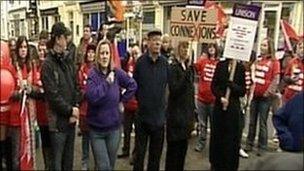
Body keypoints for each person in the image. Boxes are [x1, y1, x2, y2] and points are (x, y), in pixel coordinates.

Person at [86, 40, 137, 170]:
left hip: (114, 129)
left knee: (110, 166)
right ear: (98, 56)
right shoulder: (92, 75)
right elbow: (92, 97)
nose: (104, 56)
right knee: (104, 167)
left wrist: (122, 101)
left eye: (107, 53)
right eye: (102, 53)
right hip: (97, 130)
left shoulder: (117, 72)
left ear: (111, 55)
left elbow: (132, 85)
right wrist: (107, 83)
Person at [41, 22, 81, 170]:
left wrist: (75, 108)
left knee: (68, 164)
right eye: (65, 37)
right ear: (58, 39)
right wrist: (70, 111)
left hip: (70, 122)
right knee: (56, 164)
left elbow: (76, 86)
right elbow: (52, 96)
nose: (67, 40)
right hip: (57, 124)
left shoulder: (68, 60)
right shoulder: (47, 65)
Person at [133, 29, 169, 171]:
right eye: (154, 40)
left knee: (155, 157)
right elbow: (134, 86)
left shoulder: (165, 64)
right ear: (148, 43)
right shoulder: (140, 63)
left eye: (159, 40)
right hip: (142, 118)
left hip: (159, 119)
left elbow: (169, 86)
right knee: (139, 156)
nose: (157, 43)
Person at [245, 38, 281, 156]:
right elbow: (252, 75)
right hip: (255, 96)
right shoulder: (258, 60)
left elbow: (276, 79)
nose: (262, 47)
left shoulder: (275, 62)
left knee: (263, 123)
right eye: (261, 45)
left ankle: (262, 146)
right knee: (252, 122)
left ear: (269, 47)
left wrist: (268, 92)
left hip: (265, 98)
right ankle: (249, 143)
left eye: (264, 45)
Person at [210, 58, 246, 171]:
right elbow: (213, 85)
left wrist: (232, 86)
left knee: (231, 138)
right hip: (219, 107)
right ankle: (216, 164)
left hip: (233, 108)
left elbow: (242, 91)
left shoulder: (240, 68)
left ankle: (229, 165)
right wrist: (220, 97)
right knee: (218, 136)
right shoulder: (221, 65)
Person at [9, 36, 40, 170]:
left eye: (25, 47)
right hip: (17, 116)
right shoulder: (12, 67)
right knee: (17, 152)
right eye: (21, 47)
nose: (23, 50)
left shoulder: (32, 66)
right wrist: (20, 93)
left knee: (30, 151)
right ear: (17, 49)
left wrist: (31, 89)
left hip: (30, 115)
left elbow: (38, 89)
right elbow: (8, 92)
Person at [165, 41, 195, 171]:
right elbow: (175, 89)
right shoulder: (173, 67)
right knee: (173, 154)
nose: (185, 50)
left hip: (186, 117)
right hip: (176, 118)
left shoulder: (188, 67)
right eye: (183, 47)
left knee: (182, 153)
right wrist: (186, 73)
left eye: (187, 47)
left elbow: (190, 93)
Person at [194, 43, 219, 152]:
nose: (211, 49)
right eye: (210, 47)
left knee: (214, 124)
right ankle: (201, 143)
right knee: (202, 124)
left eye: (213, 47)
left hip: (213, 99)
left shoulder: (219, 63)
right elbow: (194, 67)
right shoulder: (203, 61)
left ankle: (214, 145)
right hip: (202, 98)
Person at [118, 44, 141, 163]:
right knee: (126, 130)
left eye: (137, 53)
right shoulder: (129, 63)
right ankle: (125, 150)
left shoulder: (142, 66)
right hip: (128, 103)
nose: (134, 55)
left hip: (138, 104)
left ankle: (135, 155)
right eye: (133, 53)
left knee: (138, 132)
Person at [78, 43, 96, 170]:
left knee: (96, 139)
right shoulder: (81, 70)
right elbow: (78, 88)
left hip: (95, 111)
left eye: (93, 52)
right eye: (89, 52)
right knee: (85, 139)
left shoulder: (98, 70)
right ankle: (85, 162)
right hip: (84, 110)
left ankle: (97, 163)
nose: (90, 54)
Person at [35, 41, 52, 170]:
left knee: (54, 146)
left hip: (51, 113)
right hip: (40, 115)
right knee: (45, 145)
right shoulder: (34, 67)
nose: (42, 53)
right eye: (39, 50)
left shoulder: (50, 67)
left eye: (43, 50)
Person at [239, 52, 256, 158]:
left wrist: (249, 98)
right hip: (239, 99)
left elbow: (252, 84)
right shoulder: (240, 68)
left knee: (242, 124)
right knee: (237, 124)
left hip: (245, 100)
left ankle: (238, 146)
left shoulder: (251, 69)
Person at [282, 36, 303, 103]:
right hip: (289, 97)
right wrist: (290, 79)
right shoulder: (292, 62)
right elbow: (285, 77)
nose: (302, 50)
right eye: (300, 48)